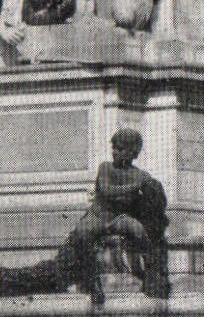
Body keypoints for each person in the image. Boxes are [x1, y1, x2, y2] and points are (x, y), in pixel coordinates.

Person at [67, 129, 169, 303]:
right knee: (81, 234)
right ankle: (91, 282)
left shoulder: (140, 175)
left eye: (120, 149)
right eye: (114, 148)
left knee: (142, 233)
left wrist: (151, 189)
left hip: (120, 218)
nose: (115, 152)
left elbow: (156, 198)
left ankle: (151, 277)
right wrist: (135, 187)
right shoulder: (106, 167)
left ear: (133, 153)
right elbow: (107, 191)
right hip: (98, 216)